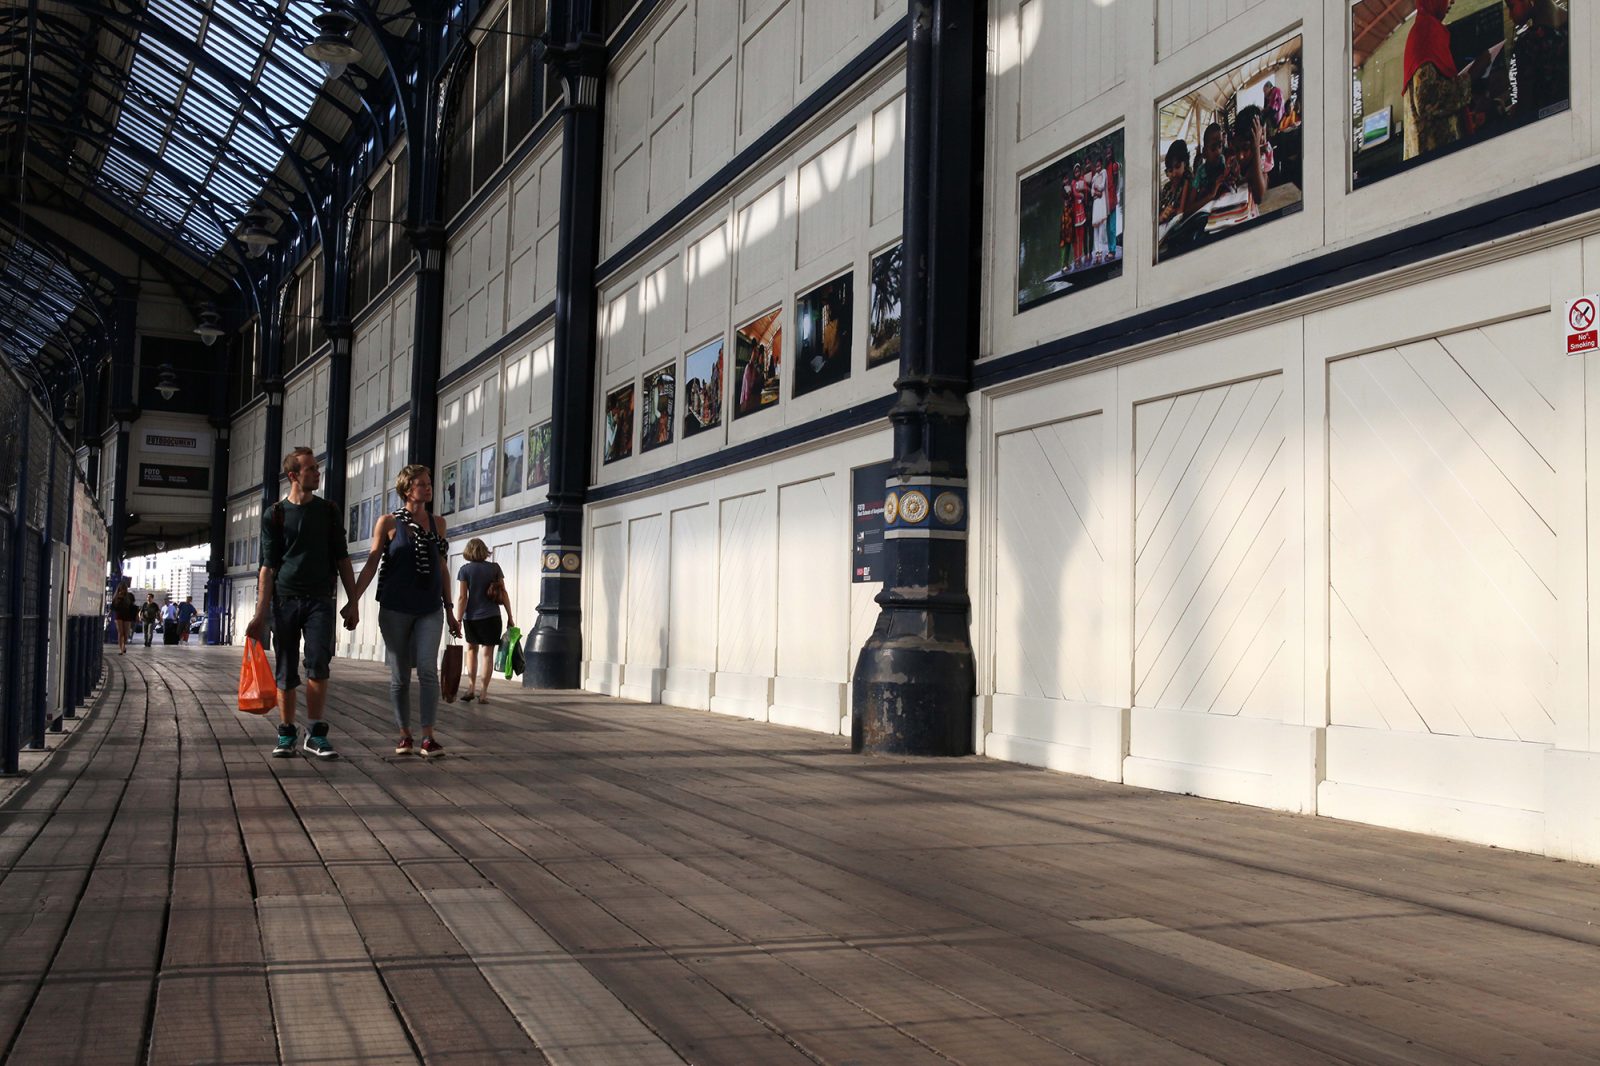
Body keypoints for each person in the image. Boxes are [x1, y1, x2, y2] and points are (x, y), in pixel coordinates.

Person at [245, 447, 360, 759]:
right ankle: (286, 733)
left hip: (320, 601)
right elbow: (267, 568)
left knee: (318, 665)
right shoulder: (276, 515)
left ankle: (315, 733)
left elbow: (343, 558)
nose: (317, 472)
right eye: (310, 468)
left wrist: (354, 601)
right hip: (284, 602)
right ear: (293, 475)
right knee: (285, 669)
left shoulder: (328, 511)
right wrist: (260, 615)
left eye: (317, 467)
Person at [349, 464, 459, 757]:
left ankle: (428, 736)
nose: (428, 487)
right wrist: (353, 599)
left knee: (427, 669)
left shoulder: (438, 523)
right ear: (408, 490)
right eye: (422, 484)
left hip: (429, 607)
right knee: (400, 674)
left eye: (429, 482)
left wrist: (450, 609)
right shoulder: (387, 523)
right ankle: (404, 735)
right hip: (395, 608)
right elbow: (373, 561)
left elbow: (442, 568)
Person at [1401, 0, 1476, 161]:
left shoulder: (1424, 31)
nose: (1453, 1)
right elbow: (1427, 99)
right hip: (1436, 156)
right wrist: (1471, 77)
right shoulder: (1426, 32)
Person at [456, 537, 514, 705]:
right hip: (492, 617)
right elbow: (503, 593)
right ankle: (484, 693)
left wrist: (458, 619)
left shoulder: (465, 570)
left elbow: (462, 597)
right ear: (484, 551)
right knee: (487, 654)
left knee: (471, 651)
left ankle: (471, 688)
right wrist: (510, 615)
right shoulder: (494, 568)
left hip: (472, 617)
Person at [110, 579, 136, 654]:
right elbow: (113, 607)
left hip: (127, 616)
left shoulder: (130, 596)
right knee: (120, 633)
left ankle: (124, 645)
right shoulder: (116, 596)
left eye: (124, 588)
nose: (122, 590)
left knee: (126, 633)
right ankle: (121, 649)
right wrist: (118, 599)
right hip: (119, 615)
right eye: (121, 589)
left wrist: (136, 615)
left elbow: (132, 606)